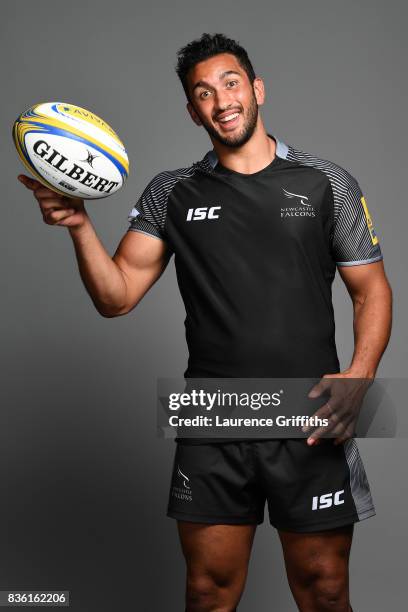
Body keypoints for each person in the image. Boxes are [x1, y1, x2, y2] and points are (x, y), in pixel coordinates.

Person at [18, 33, 392, 612]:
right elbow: (116, 297)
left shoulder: (328, 182)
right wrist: (79, 225)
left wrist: (361, 374)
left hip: (310, 411)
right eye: (204, 93)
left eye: (231, 83)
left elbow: (370, 290)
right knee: (207, 592)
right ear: (193, 111)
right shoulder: (173, 191)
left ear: (256, 88)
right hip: (212, 414)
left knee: (324, 588)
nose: (222, 101)